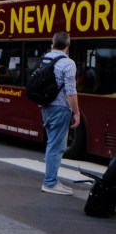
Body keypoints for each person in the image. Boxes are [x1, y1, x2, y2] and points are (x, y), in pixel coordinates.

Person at [40, 32, 81, 195]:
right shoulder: (68, 63)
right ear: (68, 45)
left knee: (54, 144)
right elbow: (71, 91)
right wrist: (76, 112)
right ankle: (49, 183)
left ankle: (53, 180)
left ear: (53, 44)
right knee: (56, 147)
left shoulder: (46, 58)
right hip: (60, 109)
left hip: (46, 107)